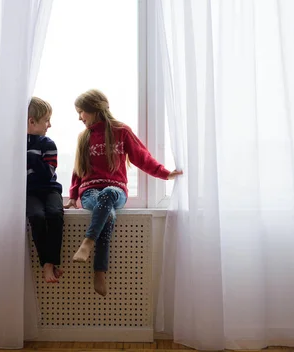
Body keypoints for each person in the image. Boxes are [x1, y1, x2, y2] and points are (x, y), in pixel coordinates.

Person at [64, 89, 182, 296]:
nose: (79, 117)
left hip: (115, 191)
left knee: (108, 193)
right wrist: (73, 197)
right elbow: (77, 170)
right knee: (107, 214)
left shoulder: (121, 131)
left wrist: (165, 174)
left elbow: (142, 157)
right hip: (90, 193)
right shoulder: (84, 137)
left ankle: (88, 242)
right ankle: (99, 270)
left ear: (94, 109)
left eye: (81, 112)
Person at [27, 96, 64, 283]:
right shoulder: (14, 145)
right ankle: (46, 264)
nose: (49, 125)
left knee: (55, 214)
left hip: (50, 189)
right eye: (46, 120)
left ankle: (51, 262)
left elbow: (47, 174)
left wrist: (32, 157)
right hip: (29, 192)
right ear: (31, 122)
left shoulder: (48, 144)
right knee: (36, 217)